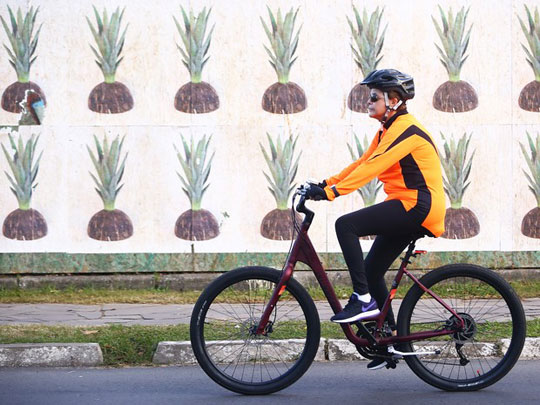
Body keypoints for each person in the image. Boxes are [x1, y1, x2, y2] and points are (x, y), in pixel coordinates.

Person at [304, 68, 446, 370]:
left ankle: (363, 299)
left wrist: (332, 194)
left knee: (346, 225)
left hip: (418, 205)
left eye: (373, 96)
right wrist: (324, 184)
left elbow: (373, 167)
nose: (368, 101)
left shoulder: (405, 128)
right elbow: (363, 163)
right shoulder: (386, 129)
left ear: (393, 100)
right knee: (372, 268)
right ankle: (390, 339)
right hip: (406, 204)